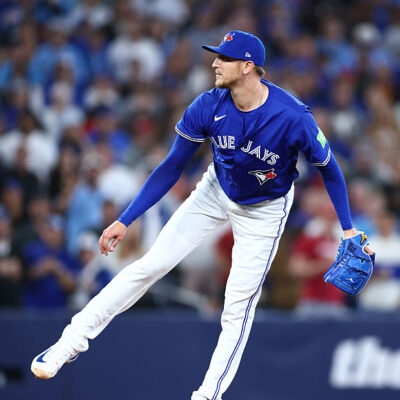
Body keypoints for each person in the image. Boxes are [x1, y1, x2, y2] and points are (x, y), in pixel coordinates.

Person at [31, 31, 373, 400]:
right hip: (215, 190)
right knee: (150, 265)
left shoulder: (292, 116)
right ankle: (70, 341)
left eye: (223, 58)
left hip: (265, 210)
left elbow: (330, 169)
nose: (214, 63)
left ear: (247, 67)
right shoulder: (208, 105)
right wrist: (126, 218)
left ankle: (207, 395)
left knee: (237, 308)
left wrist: (349, 228)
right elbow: (171, 166)